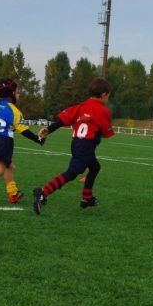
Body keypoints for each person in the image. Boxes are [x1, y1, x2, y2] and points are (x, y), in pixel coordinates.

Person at [33, 78, 114, 214]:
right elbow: (107, 133)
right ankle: (43, 192)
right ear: (104, 94)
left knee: (95, 167)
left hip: (76, 143)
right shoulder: (103, 110)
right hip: (86, 146)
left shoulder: (80, 106)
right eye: (109, 95)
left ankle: (86, 198)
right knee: (71, 173)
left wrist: (49, 129)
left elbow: (62, 120)